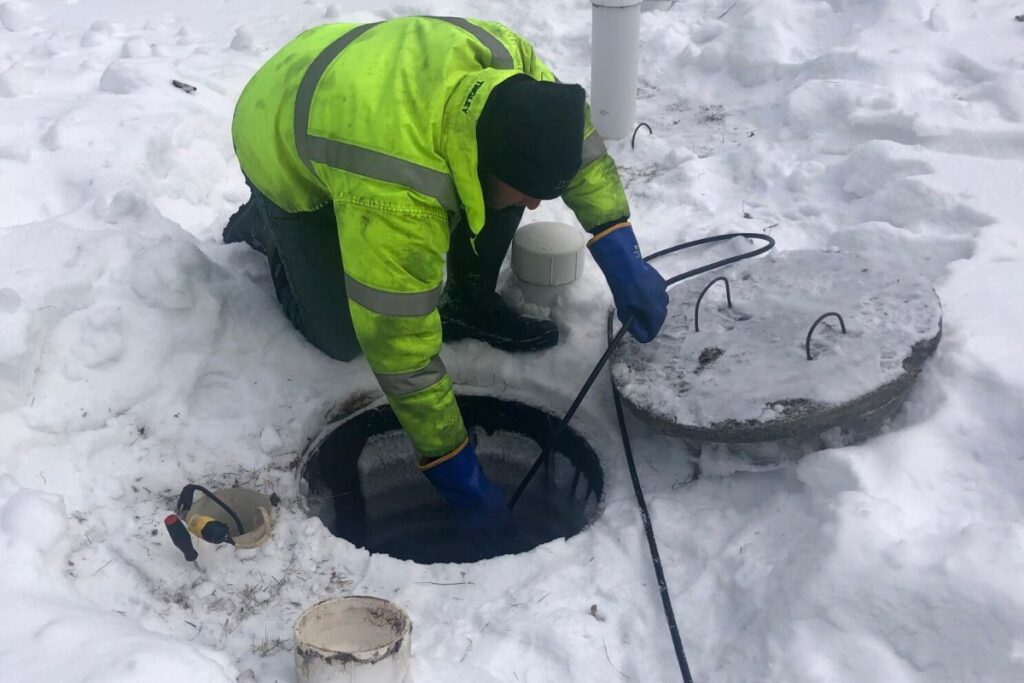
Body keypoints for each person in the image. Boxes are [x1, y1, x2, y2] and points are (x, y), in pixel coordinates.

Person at [224, 16, 667, 531]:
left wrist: (621, 252)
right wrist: (452, 466)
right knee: (343, 336)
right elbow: (399, 346)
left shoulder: (512, 71)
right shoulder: (396, 190)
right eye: (528, 188)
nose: (536, 202)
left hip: (365, 80)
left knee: (503, 198)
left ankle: (469, 301)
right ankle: (269, 232)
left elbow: (579, 154)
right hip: (280, 124)